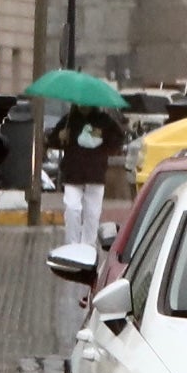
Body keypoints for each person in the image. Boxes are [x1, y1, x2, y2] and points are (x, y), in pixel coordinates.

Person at [49, 101, 129, 269]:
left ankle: (88, 248)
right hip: (73, 173)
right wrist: (59, 137)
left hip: (95, 173)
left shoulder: (104, 121)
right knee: (72, 208)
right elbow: (53, 140)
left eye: (86, 104)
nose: (82, 107)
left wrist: (103, 137)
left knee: (92, 213)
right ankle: (72, 246)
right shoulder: (69, 120)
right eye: (80, 104)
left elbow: (118, 140)